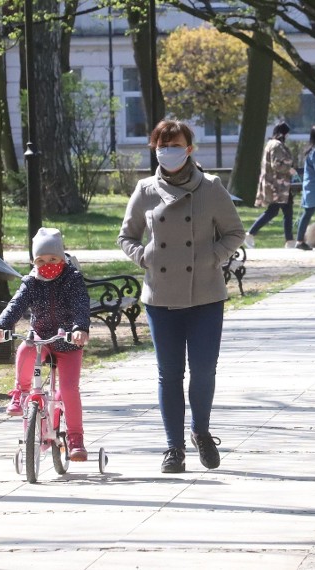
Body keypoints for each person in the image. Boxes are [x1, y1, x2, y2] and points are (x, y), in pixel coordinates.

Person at [117, 119, 245, 474]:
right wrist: (145, 257)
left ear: (189, 148)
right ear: (154, 148)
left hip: (205, 293)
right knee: (169, 373)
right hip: (161, 296)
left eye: (175, 144)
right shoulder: (145, 189)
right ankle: (173, 448)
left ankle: (201, 432)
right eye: (162, 144)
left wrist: (212, 257)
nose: (168, 150)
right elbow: (125, 236)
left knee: (203, 370)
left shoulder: (211, 187)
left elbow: (235, 232)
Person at [0, 227, 91, 461]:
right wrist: (0, 325)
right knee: (25, 349)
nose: (48, 264)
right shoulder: (31, 282)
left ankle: (76, 438)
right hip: (42, 337)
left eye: (53, 259)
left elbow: (81, 305)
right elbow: (15, 305)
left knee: (68, 390)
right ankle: (21, 392)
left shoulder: (72, 279)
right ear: (34, 261)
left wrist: (80, 328)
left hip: (67, 341)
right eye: (41, 260)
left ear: (62, 257)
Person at [244, 122, 298, 249]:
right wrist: (289, 169)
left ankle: (289, 240)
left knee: (279, 211)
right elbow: (276, 164)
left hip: (276, 185)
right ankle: (251, 233)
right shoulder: (277, 145)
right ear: (283, 133)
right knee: (279, 211)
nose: (288, 136)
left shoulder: (270, 144)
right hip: (278, 186)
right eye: (287, 133)